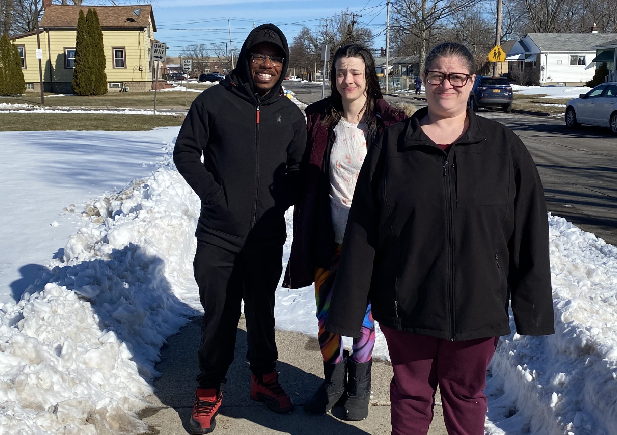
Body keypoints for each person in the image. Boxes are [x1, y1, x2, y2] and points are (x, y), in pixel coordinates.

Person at [325, 42, 554, 434]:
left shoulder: (503, 148)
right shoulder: (393, 146)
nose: (446, 85)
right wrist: (348, 304)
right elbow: (364, 228)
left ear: (471, 82)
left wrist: (531, 306)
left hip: (477, 305)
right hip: (407, 302)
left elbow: (528, 229)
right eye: (436, 76)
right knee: (411, 395)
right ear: (423, 81)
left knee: (465, 395)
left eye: (456, 77)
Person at [173, 24, 307, 435]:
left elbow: (299, 169)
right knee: (220, 315)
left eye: (275, 58)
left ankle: (263, 379)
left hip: (265, 238)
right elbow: (185, 152)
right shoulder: (214, 102)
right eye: (260, 56)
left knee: (262, 313)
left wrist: (279, 200)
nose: (267, 65)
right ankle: (209, 389)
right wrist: (216, 197)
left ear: (283, 66)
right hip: (219, 235)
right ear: (246, 58)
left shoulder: (288, 114)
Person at [284, 44, 406, 421]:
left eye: (355, 72)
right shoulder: (318, 119)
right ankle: (333, 380)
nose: (347, 80)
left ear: (369, 74)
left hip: (369, 242)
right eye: (340, 72)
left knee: (364, 317)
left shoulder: (391, 122)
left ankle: (360, 385)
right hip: (327, 233)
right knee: (325, 315)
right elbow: (296, 167)